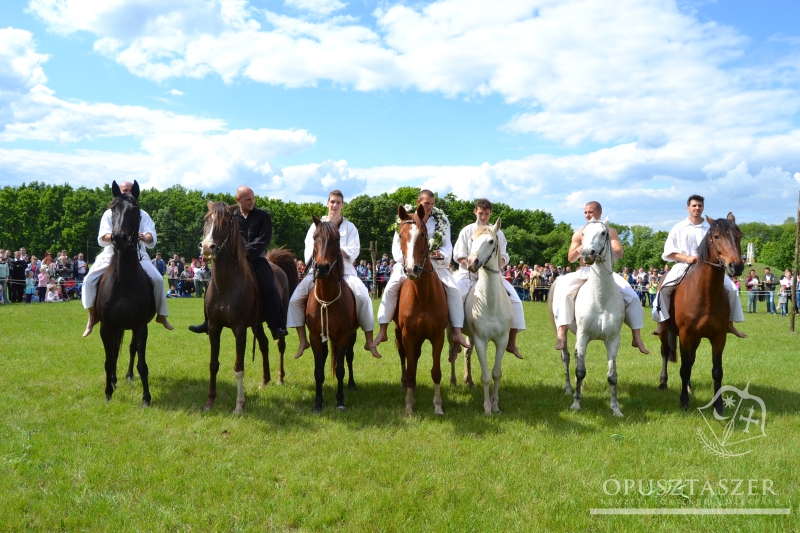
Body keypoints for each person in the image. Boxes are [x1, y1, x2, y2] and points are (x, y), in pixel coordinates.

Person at [370, 189, 470, 351]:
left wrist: (441, 254)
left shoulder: (441, 220)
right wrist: (408, 261)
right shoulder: (406, 219)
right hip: (408, 265)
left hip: (436, 267)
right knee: (390, 289)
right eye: (426, 204)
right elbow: (397, 248)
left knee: (454, 290)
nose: (429, 207)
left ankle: (457, 332)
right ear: (418, 203)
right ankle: (382, 331)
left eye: (432, 203)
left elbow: (447, 247)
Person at [286, 190, 382, 359]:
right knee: (294, 299)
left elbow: (355, 249)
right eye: (332, 202)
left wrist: (337, 250)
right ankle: (303, 340)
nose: (335, 205)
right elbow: (309, 247)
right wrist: (320, 258)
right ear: (327, 203)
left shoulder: (350, 227)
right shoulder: (317, 225)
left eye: (338, 202)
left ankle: (369, 341)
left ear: (342, 205)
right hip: (318, 269)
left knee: (364, 297)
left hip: (345, 271)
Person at [189, 186, 288, 339]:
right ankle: (207, 321)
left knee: (269, 285)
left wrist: (245, 252)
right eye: (248, 199)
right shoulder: (231, 217)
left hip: (256, 259)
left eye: (253, 198)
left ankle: (276, 325)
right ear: (238, 200)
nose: (252, 202)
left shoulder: (263, 216)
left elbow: (264, 240)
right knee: (211, 284)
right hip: (233, 261)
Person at [552, 201, 650, 354]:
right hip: (585, 271)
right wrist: (578, 250)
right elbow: (570, 258)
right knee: (565, 294)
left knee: (633, 297)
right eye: (585, 212)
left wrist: (604, 246)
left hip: (605, 271)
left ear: (599, 212)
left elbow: (618, 252)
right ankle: (562, 333)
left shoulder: (609, 231)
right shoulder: (579, 233)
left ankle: (636, 337)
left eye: (590, 212)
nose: (587, 215)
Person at [82, 181, 173, 337]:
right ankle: (92, 316)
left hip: (138, 254)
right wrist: (118, 237)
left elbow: (151, 234)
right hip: (111, 253)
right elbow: (102, 237)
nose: (128, 193)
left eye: (130, 191)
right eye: (125, 190)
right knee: (88, 280)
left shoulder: (142, 214)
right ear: (119, 192)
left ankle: (161, 315)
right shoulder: (109, 213)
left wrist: (144, 237)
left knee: (158, 279)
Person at [652, 194, 745, 337]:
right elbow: (668, 253)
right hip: (683, 265)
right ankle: (662, 323)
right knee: (664, 289)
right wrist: (686, 257)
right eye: (694, 205)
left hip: (710, 268)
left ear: (703, 208)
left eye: (700, 205)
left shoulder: (712, 227)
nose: (697, 208)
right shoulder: (678, 227)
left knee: (732, 289)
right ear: (688, 207)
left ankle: (729, 324)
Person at [452, 198, 526, 359]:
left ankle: (511, 342)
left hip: (493, 276)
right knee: (455, 297)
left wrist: (492, 268)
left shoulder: (497, 232)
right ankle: (455, 337)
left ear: (491, 213)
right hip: (468, 274)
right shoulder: (467, 230)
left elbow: (504, 256)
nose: (484, 217)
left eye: (486, 213)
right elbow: (458, 254)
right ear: (475, 212)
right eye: (480, 213)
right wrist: (472, 266)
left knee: (516, 302)